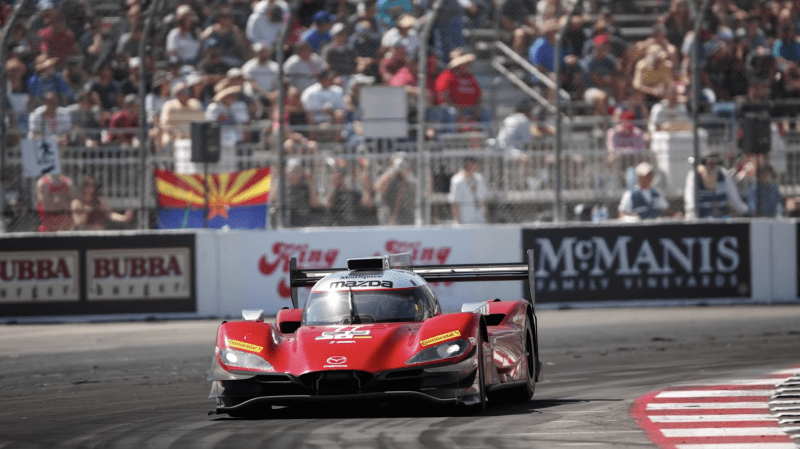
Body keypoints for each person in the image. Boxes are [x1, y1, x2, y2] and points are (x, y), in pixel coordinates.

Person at [684, 149, 750, 219]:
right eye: (710, 163)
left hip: (722, 217)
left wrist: (745, 211)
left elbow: (734, 195)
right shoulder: (695, 175)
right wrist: (691, 214)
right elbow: (690, 197)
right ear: (704, 162)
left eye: (715, 163)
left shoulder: (723, 174)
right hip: (703, 218)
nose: (713, 166)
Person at [374, 153, 416, 225]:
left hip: (405, 215)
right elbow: (378, 187)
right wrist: (394, 168)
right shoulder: (390, 175)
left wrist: (393, 218)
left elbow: (405, 182)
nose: (402, 166)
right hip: (387, 212)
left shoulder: (409, 178)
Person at [448, 157, 488, 224]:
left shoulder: (479, 178)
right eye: (475, 163)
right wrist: (457, 219)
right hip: (465, 218)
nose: (477, 165)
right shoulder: (458, 180)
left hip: (479, 218)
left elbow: (484, 199)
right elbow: (454, 202)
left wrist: (484, 213)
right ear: (469, 164)